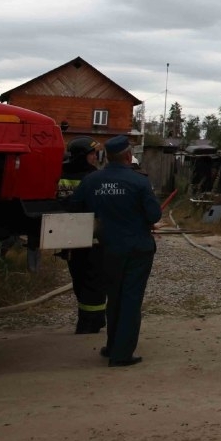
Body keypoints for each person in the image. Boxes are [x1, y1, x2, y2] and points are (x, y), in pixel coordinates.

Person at [67, 135, 161, 367]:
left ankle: (112, 346)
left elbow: (74, 206)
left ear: (106, 156)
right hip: (137, 249)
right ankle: (122, 354)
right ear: (128, 156)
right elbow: (154, 216)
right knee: (130, 300)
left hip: (107, 248)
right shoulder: (139, 182)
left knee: (114, 297)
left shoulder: (92, 180)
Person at [57, 138, 107, 334]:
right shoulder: (95, 178)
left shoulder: (59, 173)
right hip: (92, 237)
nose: (95, 157)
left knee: (79, 278)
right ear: (82, 155)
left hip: (68, 238)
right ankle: (91, 322)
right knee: (94, 281)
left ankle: (88, 319)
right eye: (92, 153)